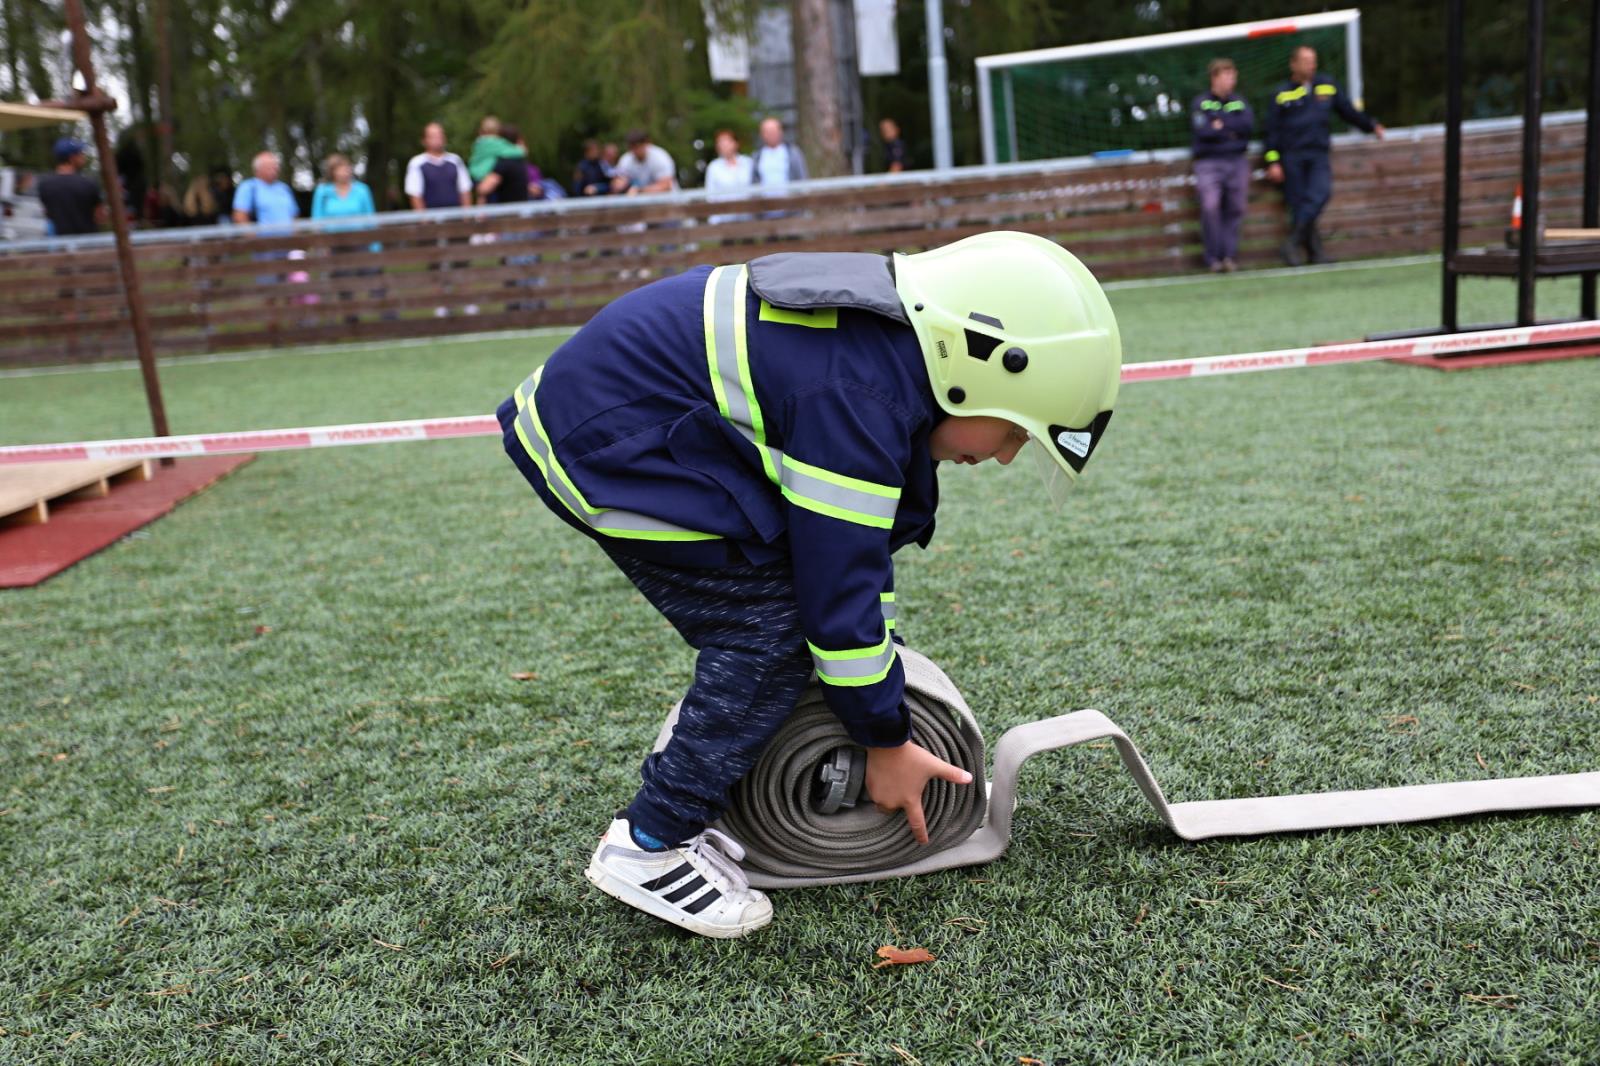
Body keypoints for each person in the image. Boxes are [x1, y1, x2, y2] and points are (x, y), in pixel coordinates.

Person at [494, 231, 1121, 937]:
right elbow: (835, 592)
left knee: (818, 617)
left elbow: (855, 556)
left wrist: (875, 676)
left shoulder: (883, 361)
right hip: (613, 447)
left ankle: (697, 803)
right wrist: (884, 740)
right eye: (1014, 433)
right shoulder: (860, 399)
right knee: (774, 632)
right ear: (980, 366)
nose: (1006, 457)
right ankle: (650, 846)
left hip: (630, 420)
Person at [1264, 44, 1385, 266]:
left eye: (1313, 60)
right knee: (1300, 204)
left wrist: (1371, 125)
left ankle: (1292, 242)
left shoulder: (1326, 86)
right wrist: (1273, 162)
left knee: (1320, 194)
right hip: (1291, 156)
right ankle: (1316, 254)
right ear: (1294, 64)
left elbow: (1348, 111)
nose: (1312, 64)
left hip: (1318, 153)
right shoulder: (1280, 93)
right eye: (1306, 60)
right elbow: (1271, 132)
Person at [1190, 58, 1253, 273]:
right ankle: (1213, 258)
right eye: (1226, 75)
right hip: (1209, 162)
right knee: (1210, 206)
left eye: (1233, 76)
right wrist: (1228, 130)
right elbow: (1203, 131)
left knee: (1236, 208)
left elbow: (1247, 126)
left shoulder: (1240, 102)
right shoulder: (1201, 102)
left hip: (1237, 161)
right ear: (1214, 78)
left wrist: (1220, 125)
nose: (1230, 80)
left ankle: (1229, 256)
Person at [35, 137, 104, 237]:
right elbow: (100, 217)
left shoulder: (45, 185)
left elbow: (47, 214)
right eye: (81, 153)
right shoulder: (89, 183)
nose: (83, 156)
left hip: (59, 246)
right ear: (72, 158)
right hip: (88, 245)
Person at [404, 122, 472, 210]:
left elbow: (465, 190)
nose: (437, 138)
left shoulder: (455, 160)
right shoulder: (416, 163)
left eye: (440, 135)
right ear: (424, 141)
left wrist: (466, 216)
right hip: (431, 220)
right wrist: (423, 220)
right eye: (433, 136)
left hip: (456, 218)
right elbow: (415, 195)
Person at [231, 151, 299, 226]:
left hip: (289, 237)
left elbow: (294, 215)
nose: (275, 170)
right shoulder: (248, 188)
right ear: (258, 169)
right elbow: (240, 216)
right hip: (263, 237)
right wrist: (252, 236)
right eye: (269, 167)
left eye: (275, 166)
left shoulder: (284, 188)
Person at [476, 123, 534, 203]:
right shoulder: (519, 160)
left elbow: (484, 188)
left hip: (508, 212)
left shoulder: (504, 163)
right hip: (521, 209)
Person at [311, 152, 376, 221]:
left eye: (347, 168)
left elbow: (370, 219)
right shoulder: (322, 191)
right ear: (332, 172)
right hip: (331, 232)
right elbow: (316, 220)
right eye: (340, 169)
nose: (345, 172)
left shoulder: (362, 189)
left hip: (359, 231)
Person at [615, 129, 678, 195]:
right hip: (641, 202)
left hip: (669, 202)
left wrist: (639, 190)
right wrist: (620, 184)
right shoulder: (626, 159)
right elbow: (618, 182)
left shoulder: (660, 157)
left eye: (638, 146)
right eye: (632, 147)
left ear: (647, 143)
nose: (635, 151)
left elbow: (666, 186)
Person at [467, 115, 527, 185]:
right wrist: (521, 145)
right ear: (498, 130)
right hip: (485, 176)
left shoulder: (479, 142)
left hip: (473, 174)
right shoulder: (496, 143)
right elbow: (519, 152)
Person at [750, 116, 808, 187]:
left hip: (790, 196)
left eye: (773, 131)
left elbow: (802, 177)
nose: (771, 135)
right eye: (767, 132)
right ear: (762, 134)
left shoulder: (793, 153)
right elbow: (754, 181)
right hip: (765, 197)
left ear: (780, 132)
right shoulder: (757, 156)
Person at [703, 129, 753, 194]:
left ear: (736, 143)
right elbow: (710, 193)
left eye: (727, 141)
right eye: (720, 142)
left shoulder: (748, 162)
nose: (724, 145)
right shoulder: (713, 166)